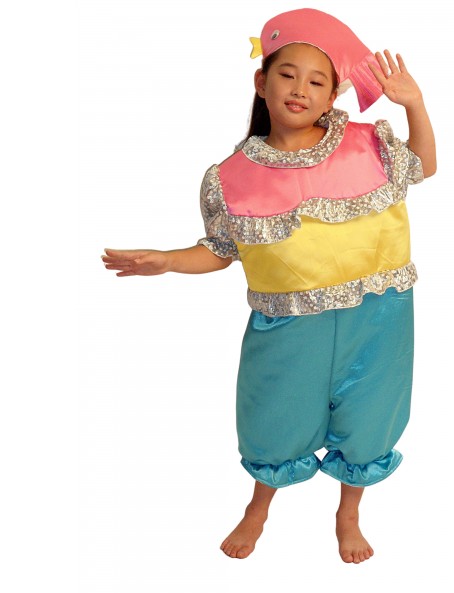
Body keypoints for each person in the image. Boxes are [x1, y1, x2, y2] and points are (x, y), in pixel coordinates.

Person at [102, 8, 436, 564]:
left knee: (370, 412)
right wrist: (167, 260)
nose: (300, 89)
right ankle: (259, 506)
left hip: (378, 314)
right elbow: (220, 250)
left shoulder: (367, 144)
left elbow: (424, 164)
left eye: (317, 81)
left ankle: (348, 512)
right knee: (276, 413)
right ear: (262, 82)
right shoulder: (231, 177)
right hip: (288, 324)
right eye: (287, 74)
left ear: (331, 96)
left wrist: (415, 105)